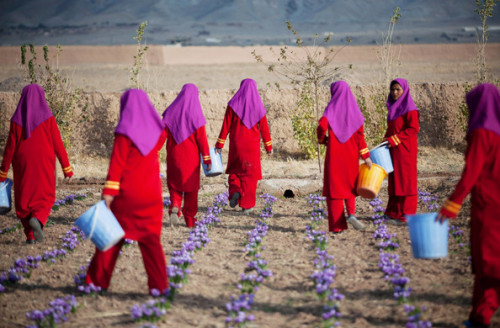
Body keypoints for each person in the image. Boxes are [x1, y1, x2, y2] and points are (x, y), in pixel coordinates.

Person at [85, 89, 168, 294]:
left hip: (127, 194)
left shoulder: (125, 131)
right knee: (151, 242)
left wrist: (108, 194)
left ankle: (97, 282)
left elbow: (117, 165)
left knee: (110, 239)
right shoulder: (157, 131)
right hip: (151, 195)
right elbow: (161, 136)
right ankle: (159, 286)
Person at [437, 83, 500, 328]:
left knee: (490, 260)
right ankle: (479, 315)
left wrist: (452, 204)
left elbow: (472, 172)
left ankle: (481, 315)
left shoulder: (483, 132)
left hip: (490, 205)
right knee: (490, 261)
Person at [0, 84, 73, 244]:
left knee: (24, 197)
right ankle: (38, 220)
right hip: (43, 162)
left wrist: (3, 172)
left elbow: (10, 148)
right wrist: (66, 168)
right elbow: (58, 144)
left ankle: (30, 236)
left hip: (23, 163)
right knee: (44, 196)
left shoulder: (16, 120)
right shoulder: (48, 118)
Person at [317, 81, 372, 234]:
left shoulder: (331, 110)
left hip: (335, 156)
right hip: (351, 156)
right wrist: (366, 156)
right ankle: (352, 213)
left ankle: (337, 227)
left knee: (334, 190)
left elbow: (321, 126)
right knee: (349, 184)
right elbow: (360, 137)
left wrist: (323, 140)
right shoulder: (355, 112)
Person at [215, 79, 272, 213]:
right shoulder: (258, 106)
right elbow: (264, 129)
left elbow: (226, 126)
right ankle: (247, 205)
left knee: (235, 170)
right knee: (250, 175)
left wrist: (219, 144)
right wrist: (268, 147)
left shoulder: (232, 105)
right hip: (252, 146)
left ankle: (235, 190)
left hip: (236, 145)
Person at [162, 83, 211, 228]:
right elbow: (202, 140)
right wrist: (207, 158)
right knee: (191, 189)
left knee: (174, 184)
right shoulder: (196, 115)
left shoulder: (170, 113)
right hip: (191, 160)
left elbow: (161, 135)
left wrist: (153, 152)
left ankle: (175, 207)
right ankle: (190, 219)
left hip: (173, 157)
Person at [383, 78, 419, 225]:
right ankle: (393, 212)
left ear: (404, 90)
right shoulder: (392, 107)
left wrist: (394, 139)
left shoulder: (410, 108)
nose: (394, 92)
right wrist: (386, 139)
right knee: (395, 180)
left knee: (406, 181)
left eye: (398, 89)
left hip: (405, 150)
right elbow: (393, 128)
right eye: (392, 89)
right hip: (394, 150)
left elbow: (413, 129)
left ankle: (406, 216)